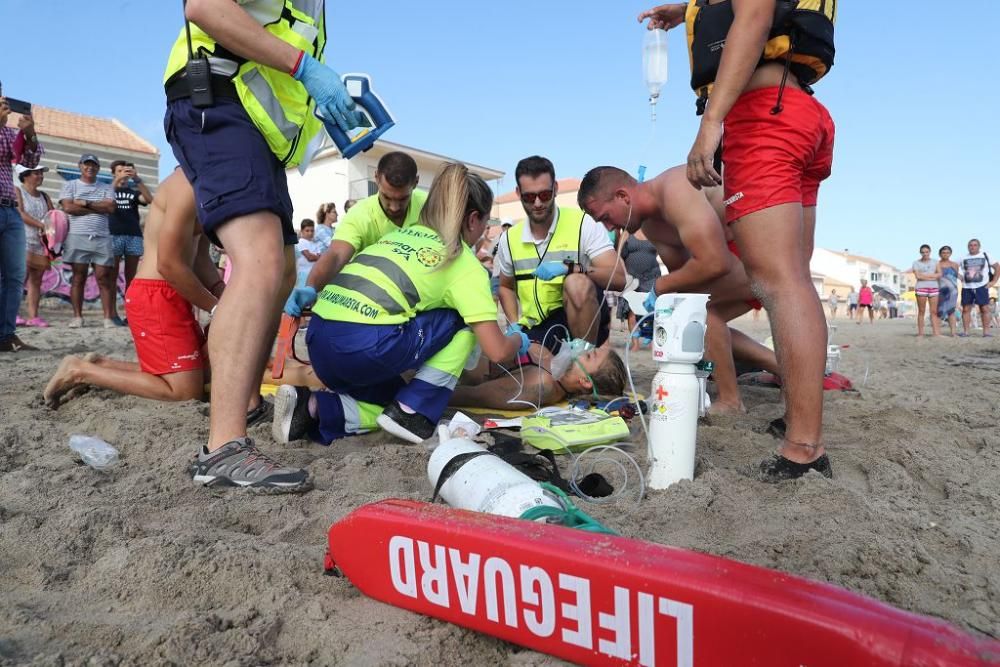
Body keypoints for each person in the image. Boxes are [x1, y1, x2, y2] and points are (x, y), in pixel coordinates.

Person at [162, 0, 365, 492]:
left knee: (282, 273)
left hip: (248, 123)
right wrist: (304, 67)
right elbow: (204, 7)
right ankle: (223, 448)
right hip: (215, 99)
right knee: (259, 263)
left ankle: (246, 402)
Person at [640, 0, 836, 481]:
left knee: (781, 283)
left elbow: (753, 16)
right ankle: (799, 420)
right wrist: (687, 11)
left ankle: (805, 448)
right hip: (800, 111)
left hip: (763, 116)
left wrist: (711, 125)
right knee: (793, 280)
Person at [271, 163, 531, 446]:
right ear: (472, 220)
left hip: (319, 343)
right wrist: (519, 337)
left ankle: (311, 408)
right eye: (485, 223)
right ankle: (414, 410)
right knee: (462, 321)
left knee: (389, 404)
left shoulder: (394, 238)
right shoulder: (463, 263)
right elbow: (497, 351)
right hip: (364, 349)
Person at [577, 165, 782, 417]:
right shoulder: (652, 226)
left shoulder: (675, 189)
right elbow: (687, 276)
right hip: (736, 258)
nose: (609, 228)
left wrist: (660, 287)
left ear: (622, 196)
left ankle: (731, 401)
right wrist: (664, 302)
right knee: (688, 314)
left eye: (606, 217)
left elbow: (715, 262)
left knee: (702, 308)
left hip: (764, 249)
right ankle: (782, 368)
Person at [495, 156, 626, 352]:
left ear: (556, 188)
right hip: (537, 327)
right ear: (518, 193)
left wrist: (572, 268)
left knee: (576, 282)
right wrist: (514, 326)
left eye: (545, 194)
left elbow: (618, 278)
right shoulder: (509, 239)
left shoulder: (583, 224)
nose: (538, 203)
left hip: (582, 322)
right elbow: (505, 288)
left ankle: (583, 358)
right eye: (529, 197)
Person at [289, 152, 427, 315]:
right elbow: (336, 255)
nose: (394, 207)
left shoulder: (429, 207)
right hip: (376, 301)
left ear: (416, 182)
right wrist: (311, 287)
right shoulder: (360, 215)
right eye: (387, 197)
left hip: (422, 296)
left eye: (403, 199)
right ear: (376, 177)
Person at [452, 341, 627, 410]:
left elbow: (474, 396)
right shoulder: (549, 359)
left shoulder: (542, 385)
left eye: (588, 356)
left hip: (451, 360)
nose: (582, 349)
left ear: (585, 382)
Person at [0, 97, 44, 352]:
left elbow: (27, 162)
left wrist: (30, 135)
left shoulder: (7, 133)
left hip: (10, 210)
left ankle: (6, 335)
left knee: (15, 277)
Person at [59, 154, 121, 329]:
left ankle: (108, 318)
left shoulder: (107, 187)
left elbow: (110, 208)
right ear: (80, 166)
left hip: (102, 237)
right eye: (86, 164)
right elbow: (68, 207)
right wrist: (97, 209)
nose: (90, 167)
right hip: (77, 235)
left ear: (98, 168)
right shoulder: (70, 185)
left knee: (104, 278)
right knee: (79, 277)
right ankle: (77, 317)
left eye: (94, 165)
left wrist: (85, 203)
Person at [14, 165, 53, 328]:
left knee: (36, 280)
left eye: (41, 173)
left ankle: (33, 316)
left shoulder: (44, 196)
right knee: (18, 279)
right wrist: (42, 225)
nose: (40, 176)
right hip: (22, 239)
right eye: (37, 173)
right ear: (25, 175)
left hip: (41, 243)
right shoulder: (17, 191)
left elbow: (52, 215)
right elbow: (20, 213)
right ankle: (12, 313)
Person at [109, 160, 153, 304]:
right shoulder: (108, 189)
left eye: (126, 171)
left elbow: (149, 199)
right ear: (113, 173)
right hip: (113, 234)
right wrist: (118, 180)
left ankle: (130, 312)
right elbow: (106, 197)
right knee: (111, 275)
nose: (123, 174)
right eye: (119, 171)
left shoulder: (133, 193)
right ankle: (112, 313)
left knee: (131, 276)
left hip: (134, 235)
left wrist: (137, 179)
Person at [958, 238, 999, 338]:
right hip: (967, 287)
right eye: (970, 245)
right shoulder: (962, 257)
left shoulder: (985, 255)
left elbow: (997, 267)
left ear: (979, 246)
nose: (972, 247)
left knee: (984, 308)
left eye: (975, 245)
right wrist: (959, 276)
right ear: (968, 247)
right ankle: (966, 332)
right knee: (966, 309)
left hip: (982, 286)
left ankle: (986, 332)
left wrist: (994, 281)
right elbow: (952, 266)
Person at [911, 244, 941, 337]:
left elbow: (939, 274)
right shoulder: (916, 263)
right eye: (923, 252)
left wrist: (924, 276)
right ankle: (920, 333)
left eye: (927, 252)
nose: (925, 254)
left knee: (934, 311)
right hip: (921, 288)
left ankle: (936, 333)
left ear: (930, 252)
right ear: (920, 253)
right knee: (921, 311)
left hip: (934, 288)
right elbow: (918, 276)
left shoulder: (936, 262)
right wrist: (932, 276)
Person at [937, 245, 960, 337]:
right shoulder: (936, 264)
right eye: (943, 252)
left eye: (947, 252)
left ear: (950, 253)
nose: (945, 254)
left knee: (951, 311)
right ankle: (937, 332)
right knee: (939, 311)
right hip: (940, 290)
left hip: (953, 291)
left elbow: (956, 277)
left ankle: (953, 332)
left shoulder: (954, 264)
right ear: (940, 254)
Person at [294, 219, 322, 285]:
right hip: (304, 274)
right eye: (307, 231)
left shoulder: (315, 244)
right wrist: (317, 257)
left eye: (312, 231)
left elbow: (320, 258)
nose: (310, 233)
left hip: (315, 274)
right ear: (302, 231)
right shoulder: (301, 242)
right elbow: (309, 258)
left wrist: (316, 257)